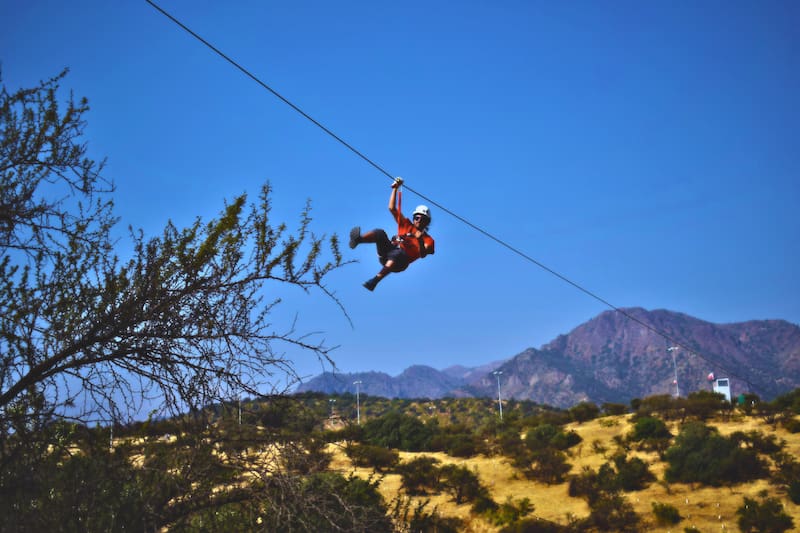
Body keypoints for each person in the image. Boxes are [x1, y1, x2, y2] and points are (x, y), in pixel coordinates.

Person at [349, 177, 435, 291]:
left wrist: (419, 240)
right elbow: (392, 208)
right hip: (387, 253)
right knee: (380, 233)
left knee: (399, 253)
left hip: (400, 263)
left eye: (422, 218)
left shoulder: (429, 240)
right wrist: (395, 189)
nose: (418, 220)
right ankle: (358, 240)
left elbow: (424, 254)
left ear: (427, 222)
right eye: (416, 217)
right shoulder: (406, 225)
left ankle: (374, 281)